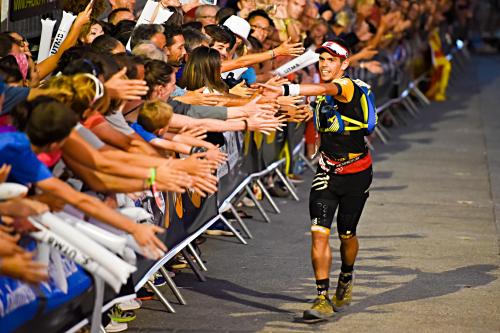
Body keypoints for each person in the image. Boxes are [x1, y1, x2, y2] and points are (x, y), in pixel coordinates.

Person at [260, 38, 374, 320]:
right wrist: (295, 110)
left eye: (331, 60)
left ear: (344, 64)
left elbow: (326, 88)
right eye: (321, 60)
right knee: (319, 233)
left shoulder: (345, 85)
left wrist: (287, 87)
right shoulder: (322, 97)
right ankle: (321, 297)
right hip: (326, 173)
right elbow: (312, 114)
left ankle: (346, 276)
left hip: (356, 173)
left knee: (347, 234)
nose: (324, 65)